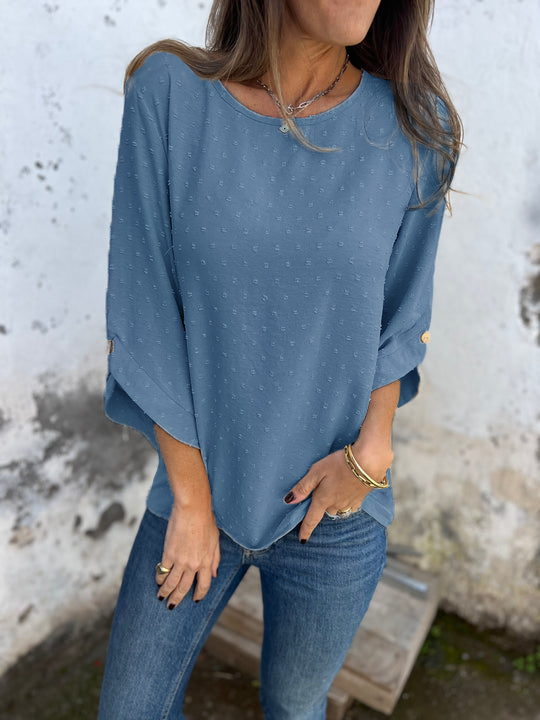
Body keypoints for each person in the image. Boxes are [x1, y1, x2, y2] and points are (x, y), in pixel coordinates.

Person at [98, 0, 462, 718]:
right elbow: (144, 313)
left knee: (296, 709)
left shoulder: (416, 128)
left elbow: (401, 318)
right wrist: (192, 503)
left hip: (335, 507)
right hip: (197, 493)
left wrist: (372, 454)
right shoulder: (169, 95)